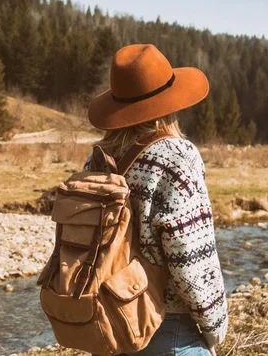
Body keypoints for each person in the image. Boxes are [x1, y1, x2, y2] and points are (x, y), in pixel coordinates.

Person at [85, 44, 228, 356]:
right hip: (167, 328)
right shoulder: (177, 156)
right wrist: (215, 327)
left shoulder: (97, 159)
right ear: (170, 104)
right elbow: (191, 256)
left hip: (107, 325)